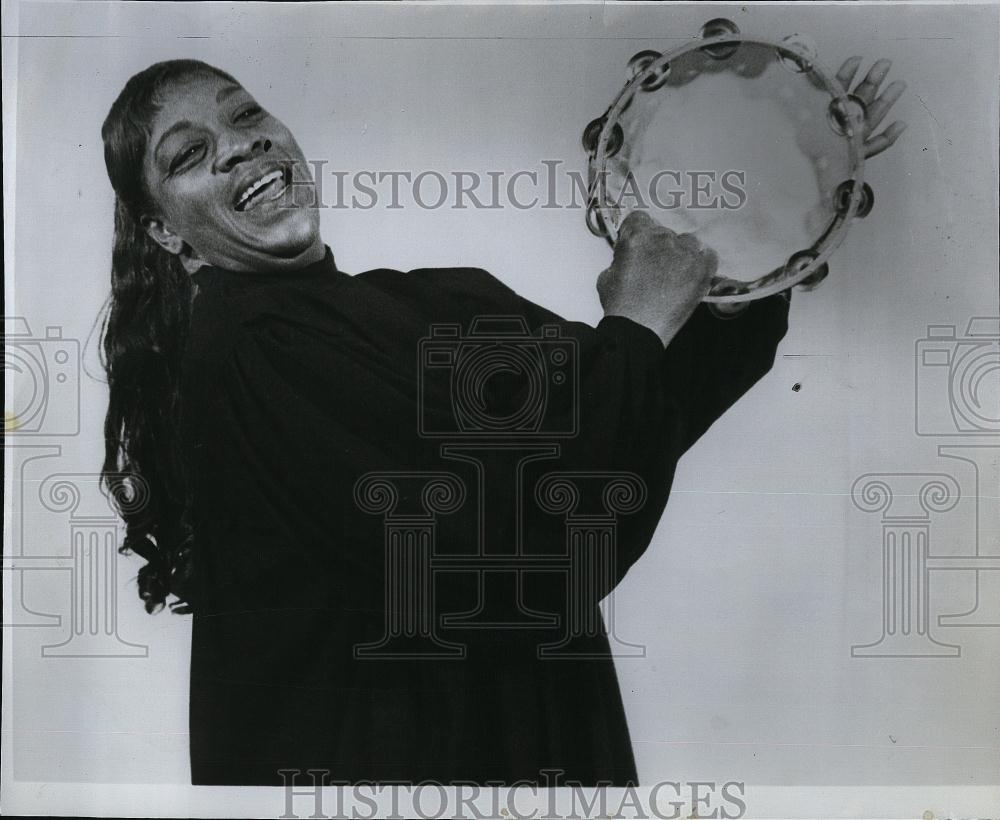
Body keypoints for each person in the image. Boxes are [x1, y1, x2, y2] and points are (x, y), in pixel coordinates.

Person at [99, 58, 904, 786]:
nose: (240, 147)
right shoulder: (249, 351)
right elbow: (527, 567)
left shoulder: (428, 303)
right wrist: (633, 331)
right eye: (189, 155)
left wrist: (788, 205)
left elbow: (642, 408)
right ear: (166, 231)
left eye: (246, 117)